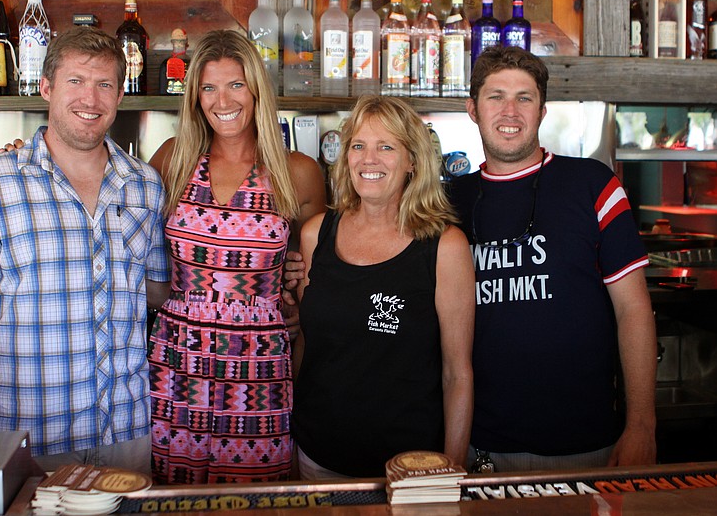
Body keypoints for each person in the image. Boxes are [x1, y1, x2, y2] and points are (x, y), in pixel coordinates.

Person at [0, 26, 170, 475]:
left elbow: (159, 293)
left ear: (120, 95)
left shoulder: (145, 186)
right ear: (45, 88)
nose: (90, 99)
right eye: (75, 82)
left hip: (130, 436)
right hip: (32, 440)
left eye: (104, 85)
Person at [447, 46, 656, 472]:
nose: (510, 110)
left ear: (542, 111)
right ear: (473, 109)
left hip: (585, 447)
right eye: (496, 96)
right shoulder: (446, 203)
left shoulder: (594, 184)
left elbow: (633, 309)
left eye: (524, 98)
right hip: (477, 447)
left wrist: (641, 426)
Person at [147, 29, 326, 484]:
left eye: (235, 85)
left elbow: (317, 278)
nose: (221, 99)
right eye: (208, 87)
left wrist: (291, 292)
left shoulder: (297, 172)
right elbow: (119, 222)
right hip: (177, 358)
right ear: (194, 97)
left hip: (259, 361)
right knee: (173, 498)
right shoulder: (174, 159)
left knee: (255, 499)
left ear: (256, 91)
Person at [291, 95, 475, 479]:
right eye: (358, 146)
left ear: (412, 161)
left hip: (410, 469)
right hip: (315, 457)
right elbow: (309, 345)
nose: (368, 159)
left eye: (386, 147)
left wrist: (453, 470)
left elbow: (457, 373)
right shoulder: (315, 235)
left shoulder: (444, 246)